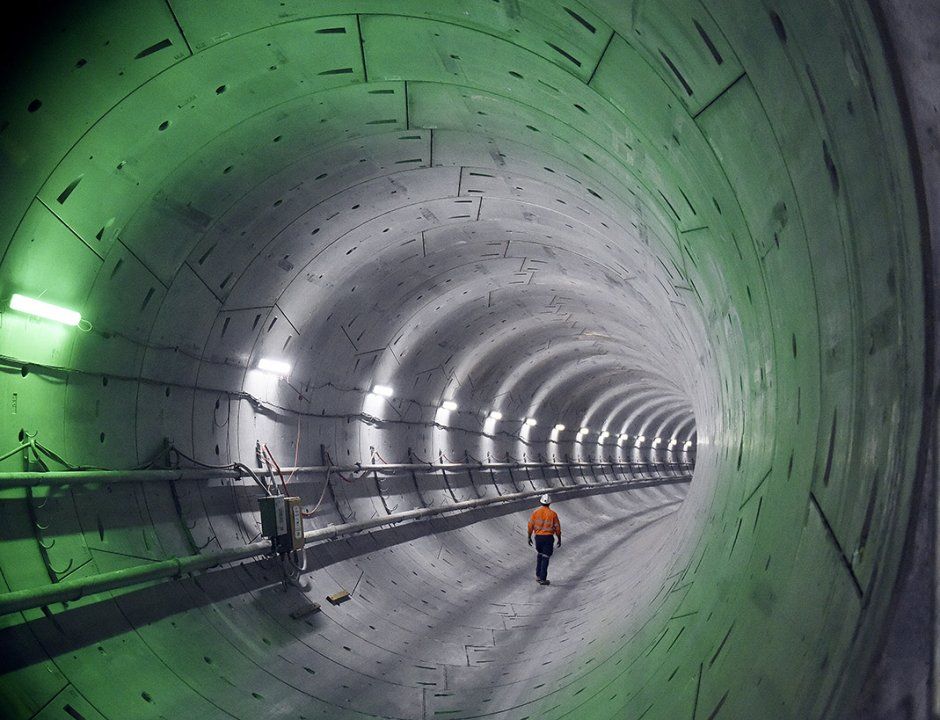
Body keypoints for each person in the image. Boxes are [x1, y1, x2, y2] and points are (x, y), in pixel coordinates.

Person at [527, 494, 561, 585]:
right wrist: (559, 538)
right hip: (548, 538)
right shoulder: (553, 514)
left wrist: (529, 536)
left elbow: (530, 525)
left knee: (540, 555)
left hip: (538, 538)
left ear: (541, 502)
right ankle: (543, 578)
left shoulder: (535, 512)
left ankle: (538, 575)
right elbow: (557, 527)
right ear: (549, 503)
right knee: (545, 557)